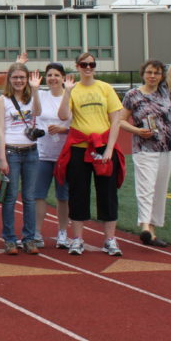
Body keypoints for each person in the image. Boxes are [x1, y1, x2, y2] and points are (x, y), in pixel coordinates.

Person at [120, 16, 171, 247]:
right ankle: (145, 227)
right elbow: (120, 122)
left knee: (160, 189)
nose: (153, 76)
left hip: (168, 148)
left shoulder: (164, 90)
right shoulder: (133, 95)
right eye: (149, 72)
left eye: (157, 73)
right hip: (145, 148)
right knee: (145, 188)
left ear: (161, 75)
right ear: (143, 73)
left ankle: (154, 230)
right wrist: (138, 131)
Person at [56, 53, 125, 256]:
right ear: (77, 66)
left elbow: (115, 120)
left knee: (108, 193)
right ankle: (77, 239)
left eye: (91, 64)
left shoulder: (105, 88)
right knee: (78, 193)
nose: (88, 67)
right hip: (79, 148)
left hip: (103, 147)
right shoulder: (72, 89)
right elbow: (63, 116)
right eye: (84, 64)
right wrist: (67, 92)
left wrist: (110, 148)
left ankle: (110, 240)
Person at [0, 63, 40, 255]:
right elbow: (0, 130)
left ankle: (29, 239)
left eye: (22, 77)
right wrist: (2, 158)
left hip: (31, 152)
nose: (19, 81)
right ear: (9, 79)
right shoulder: (2, 100)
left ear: (27, 79)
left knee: (29, 197)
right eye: (15, 77)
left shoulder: (32, 98)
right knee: (11, 197)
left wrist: (35, 90)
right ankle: (10, 239)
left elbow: (38, 112)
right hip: (12, 152)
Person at [33, 62, 72, 249]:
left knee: (63, 196)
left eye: (56, 75)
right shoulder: (41, 95)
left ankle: (62, 233)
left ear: (63, 77)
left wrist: (64, 130)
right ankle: (36, 233)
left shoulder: (71, 96)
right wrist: (34, 90)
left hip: (64, 155)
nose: (53, 78)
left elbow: (79, 124)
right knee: (39, 195)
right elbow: (35, 113)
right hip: (42, 153)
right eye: (49, 75)